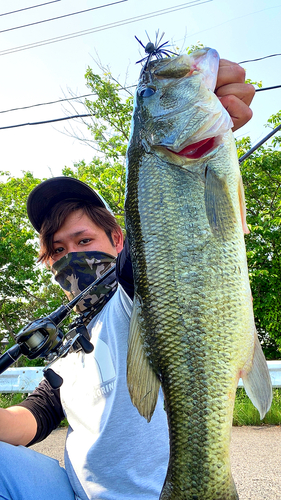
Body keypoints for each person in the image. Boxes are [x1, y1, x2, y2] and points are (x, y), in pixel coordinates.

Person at [0, 60, 255, 500]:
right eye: (58, 249)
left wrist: (202, 116)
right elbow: (35, 417)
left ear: (118, 239)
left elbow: (155, 258)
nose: (71, 256)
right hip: (74, 491)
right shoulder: (65, 340)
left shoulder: (131, 295)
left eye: (83, 239)